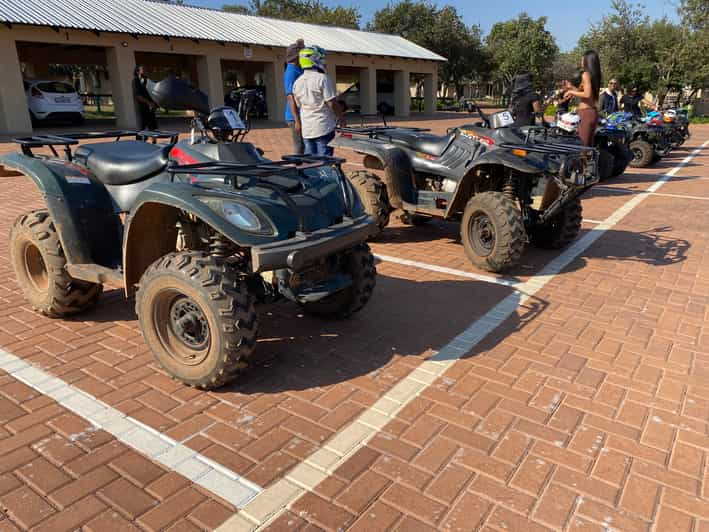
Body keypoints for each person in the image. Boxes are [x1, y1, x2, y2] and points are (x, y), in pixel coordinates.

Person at [292, 46, 344, 156]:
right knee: (324, 163)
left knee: (310, 162)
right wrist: (341, 117)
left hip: (307, 128)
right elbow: (332, 103)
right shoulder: (322, 78)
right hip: (323, 126)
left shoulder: (297, 82)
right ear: (315, 60)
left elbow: (298, 105)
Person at [563, 50, 601, 146]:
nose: (581, 61)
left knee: (581, 146)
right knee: (589, 146)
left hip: (585, 113)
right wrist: (572, 88)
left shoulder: (585, 74)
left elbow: (587, 94)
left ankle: (582, 161)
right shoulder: (594, 75)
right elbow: (587, 94)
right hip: (593, 112)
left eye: (582, 58)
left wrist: (571, 91)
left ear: (587, 60)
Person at [284, 39, 305, 154]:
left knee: (305, 146)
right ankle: (297, 169)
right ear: (296, 57)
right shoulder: (291, 72)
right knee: (299, 147)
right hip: (294, 116)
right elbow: (290, 97)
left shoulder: (299, 69)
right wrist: (297, 120)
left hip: (303, 114)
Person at [133, 66, 158, 131]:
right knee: (141, 130)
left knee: (153, 129)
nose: (145, 71)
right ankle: (139, 141)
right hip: (142, 110)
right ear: (137, 72)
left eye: (146, 70)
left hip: (150, 109)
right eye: (143, 70)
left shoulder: (148, 81)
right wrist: (149, 103)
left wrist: (155, 103)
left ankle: (153, 141)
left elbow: (153, 93)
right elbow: (138, 96)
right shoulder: (136, 81)